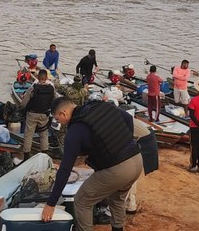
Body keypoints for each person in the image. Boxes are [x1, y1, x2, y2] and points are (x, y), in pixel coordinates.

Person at [42, 97, 142, 231]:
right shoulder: (98, 105)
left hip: (118, 170)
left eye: (58, 119)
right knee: (116, 199)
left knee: (82, 201)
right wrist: (124, 144)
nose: (61, 123)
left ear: (63, 113)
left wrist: (51, 203)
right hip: (137, 159)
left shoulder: (75, 131)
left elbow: (65, 169)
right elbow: (128, 119)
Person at [20, 69, 56, 160]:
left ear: (37, 77)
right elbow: (55, 101)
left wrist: (22, 109)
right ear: (47, 78)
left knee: (28, 134)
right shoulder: (51, 89)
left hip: (32, 114)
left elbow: (24, 103)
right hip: (45, 115)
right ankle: (44, 155)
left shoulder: (33, 88)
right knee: (44, 134)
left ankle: (26, 157)